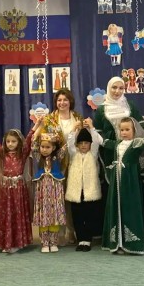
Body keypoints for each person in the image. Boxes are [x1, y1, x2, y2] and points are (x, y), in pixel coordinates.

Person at [100, 117, 144, 254]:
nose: (124, 132)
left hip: (130, 182)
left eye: (127, 129)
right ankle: (118, 243)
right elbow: (102, 142)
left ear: (134, 130)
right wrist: (90, 128)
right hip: (117, 182)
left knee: (129, 209)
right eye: (122, 130)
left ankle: (131, 244)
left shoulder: (136, 143)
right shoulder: (117, 144)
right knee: (116, 208)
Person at [0, 124, 35, 254]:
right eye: (8, 141)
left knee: (17, 214)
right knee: (6, 214)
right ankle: (6, 242)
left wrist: (37, 125)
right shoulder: (3, 153)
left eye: (13, 141)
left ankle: (17, 243)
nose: (10, 144)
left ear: (19, 142)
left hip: (18, 189)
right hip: (6, 190)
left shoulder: (22, 153)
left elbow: (28, 138)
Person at [39, 89, 84, 244]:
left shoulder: (78, 117)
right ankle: (58, 233)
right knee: (57, 199)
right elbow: (44, 140)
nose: (62, 103)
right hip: (56, 164)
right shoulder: (50, 119)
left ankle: (72, 230)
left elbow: (83, 139)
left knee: (73, 197)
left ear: (70, 101)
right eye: (59, 100)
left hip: (76, 161)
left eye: (65, 99)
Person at [65, 120, 103, 251]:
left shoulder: (93, 153)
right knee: (77, 216)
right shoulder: (74, 154)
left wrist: (92, 127)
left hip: (89, 191)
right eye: (80, 143)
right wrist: (73, 130)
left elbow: (97, 141)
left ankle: (87, 240)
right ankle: (80, 239)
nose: (83, 145)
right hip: (76, 192)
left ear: (90, 144)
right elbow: (69, 143)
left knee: (89, 216)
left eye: (86, 143)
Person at [32, 123, 67, 253]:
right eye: (43, 146)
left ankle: (53, 242)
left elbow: (65, 145)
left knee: (54, 216)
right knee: (44, 216)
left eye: (48, 147)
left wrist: (58, 134)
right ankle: (45, 243)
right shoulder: (38, 157)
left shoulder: (57, 156)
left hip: (55, 189)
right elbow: (33, 144)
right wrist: (39, 126)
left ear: (53, 148)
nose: (44, 149)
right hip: (42, 191)